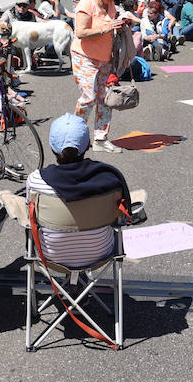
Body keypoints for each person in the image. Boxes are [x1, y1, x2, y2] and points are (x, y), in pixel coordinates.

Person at [25, 114, 135, 268]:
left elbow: (31, 218)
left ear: (52, 147)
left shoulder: (36, 180)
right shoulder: (110, 179)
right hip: (101, 254)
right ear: (89, 144)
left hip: (50, 256)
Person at [71, 0, 131, 153]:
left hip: (104, 58)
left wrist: (121, 24)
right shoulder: (86, 4)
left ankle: (100, 139)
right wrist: (107, 28)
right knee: (88, 98)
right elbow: (80, 32)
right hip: (85, 57)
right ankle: (74, 136)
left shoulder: (109, 2)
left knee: (105, 99)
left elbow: (111, 23)